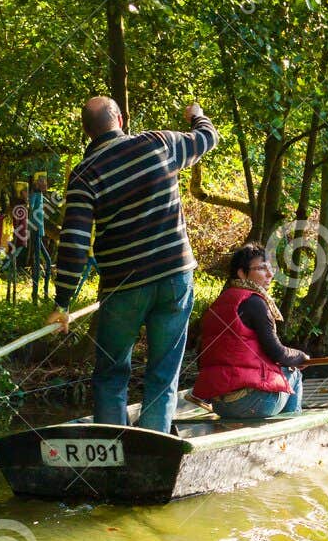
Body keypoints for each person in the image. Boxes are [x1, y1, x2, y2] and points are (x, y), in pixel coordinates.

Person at [48, 95, 218, 433]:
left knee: (111, 373)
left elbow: (74, 244)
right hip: (174, 278)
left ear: (87, 131)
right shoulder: (159, 143)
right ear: (121, 120)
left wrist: (62, 303)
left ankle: (112, 449)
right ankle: (153, 447)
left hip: (123, 286)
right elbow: (208, 138)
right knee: (163, 371)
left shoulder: (84, 174)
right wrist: (197, 116)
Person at [192, 243, 310, 419]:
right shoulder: (255, 302)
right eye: (262, 268)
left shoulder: (217, 304)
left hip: (219, 403)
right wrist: (300, 356)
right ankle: (291, 430)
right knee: (293, 373)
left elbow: (201, 359)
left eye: (270, 268)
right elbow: (277, 353)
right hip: (251, 402)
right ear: (241, 273)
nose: (270, 274)